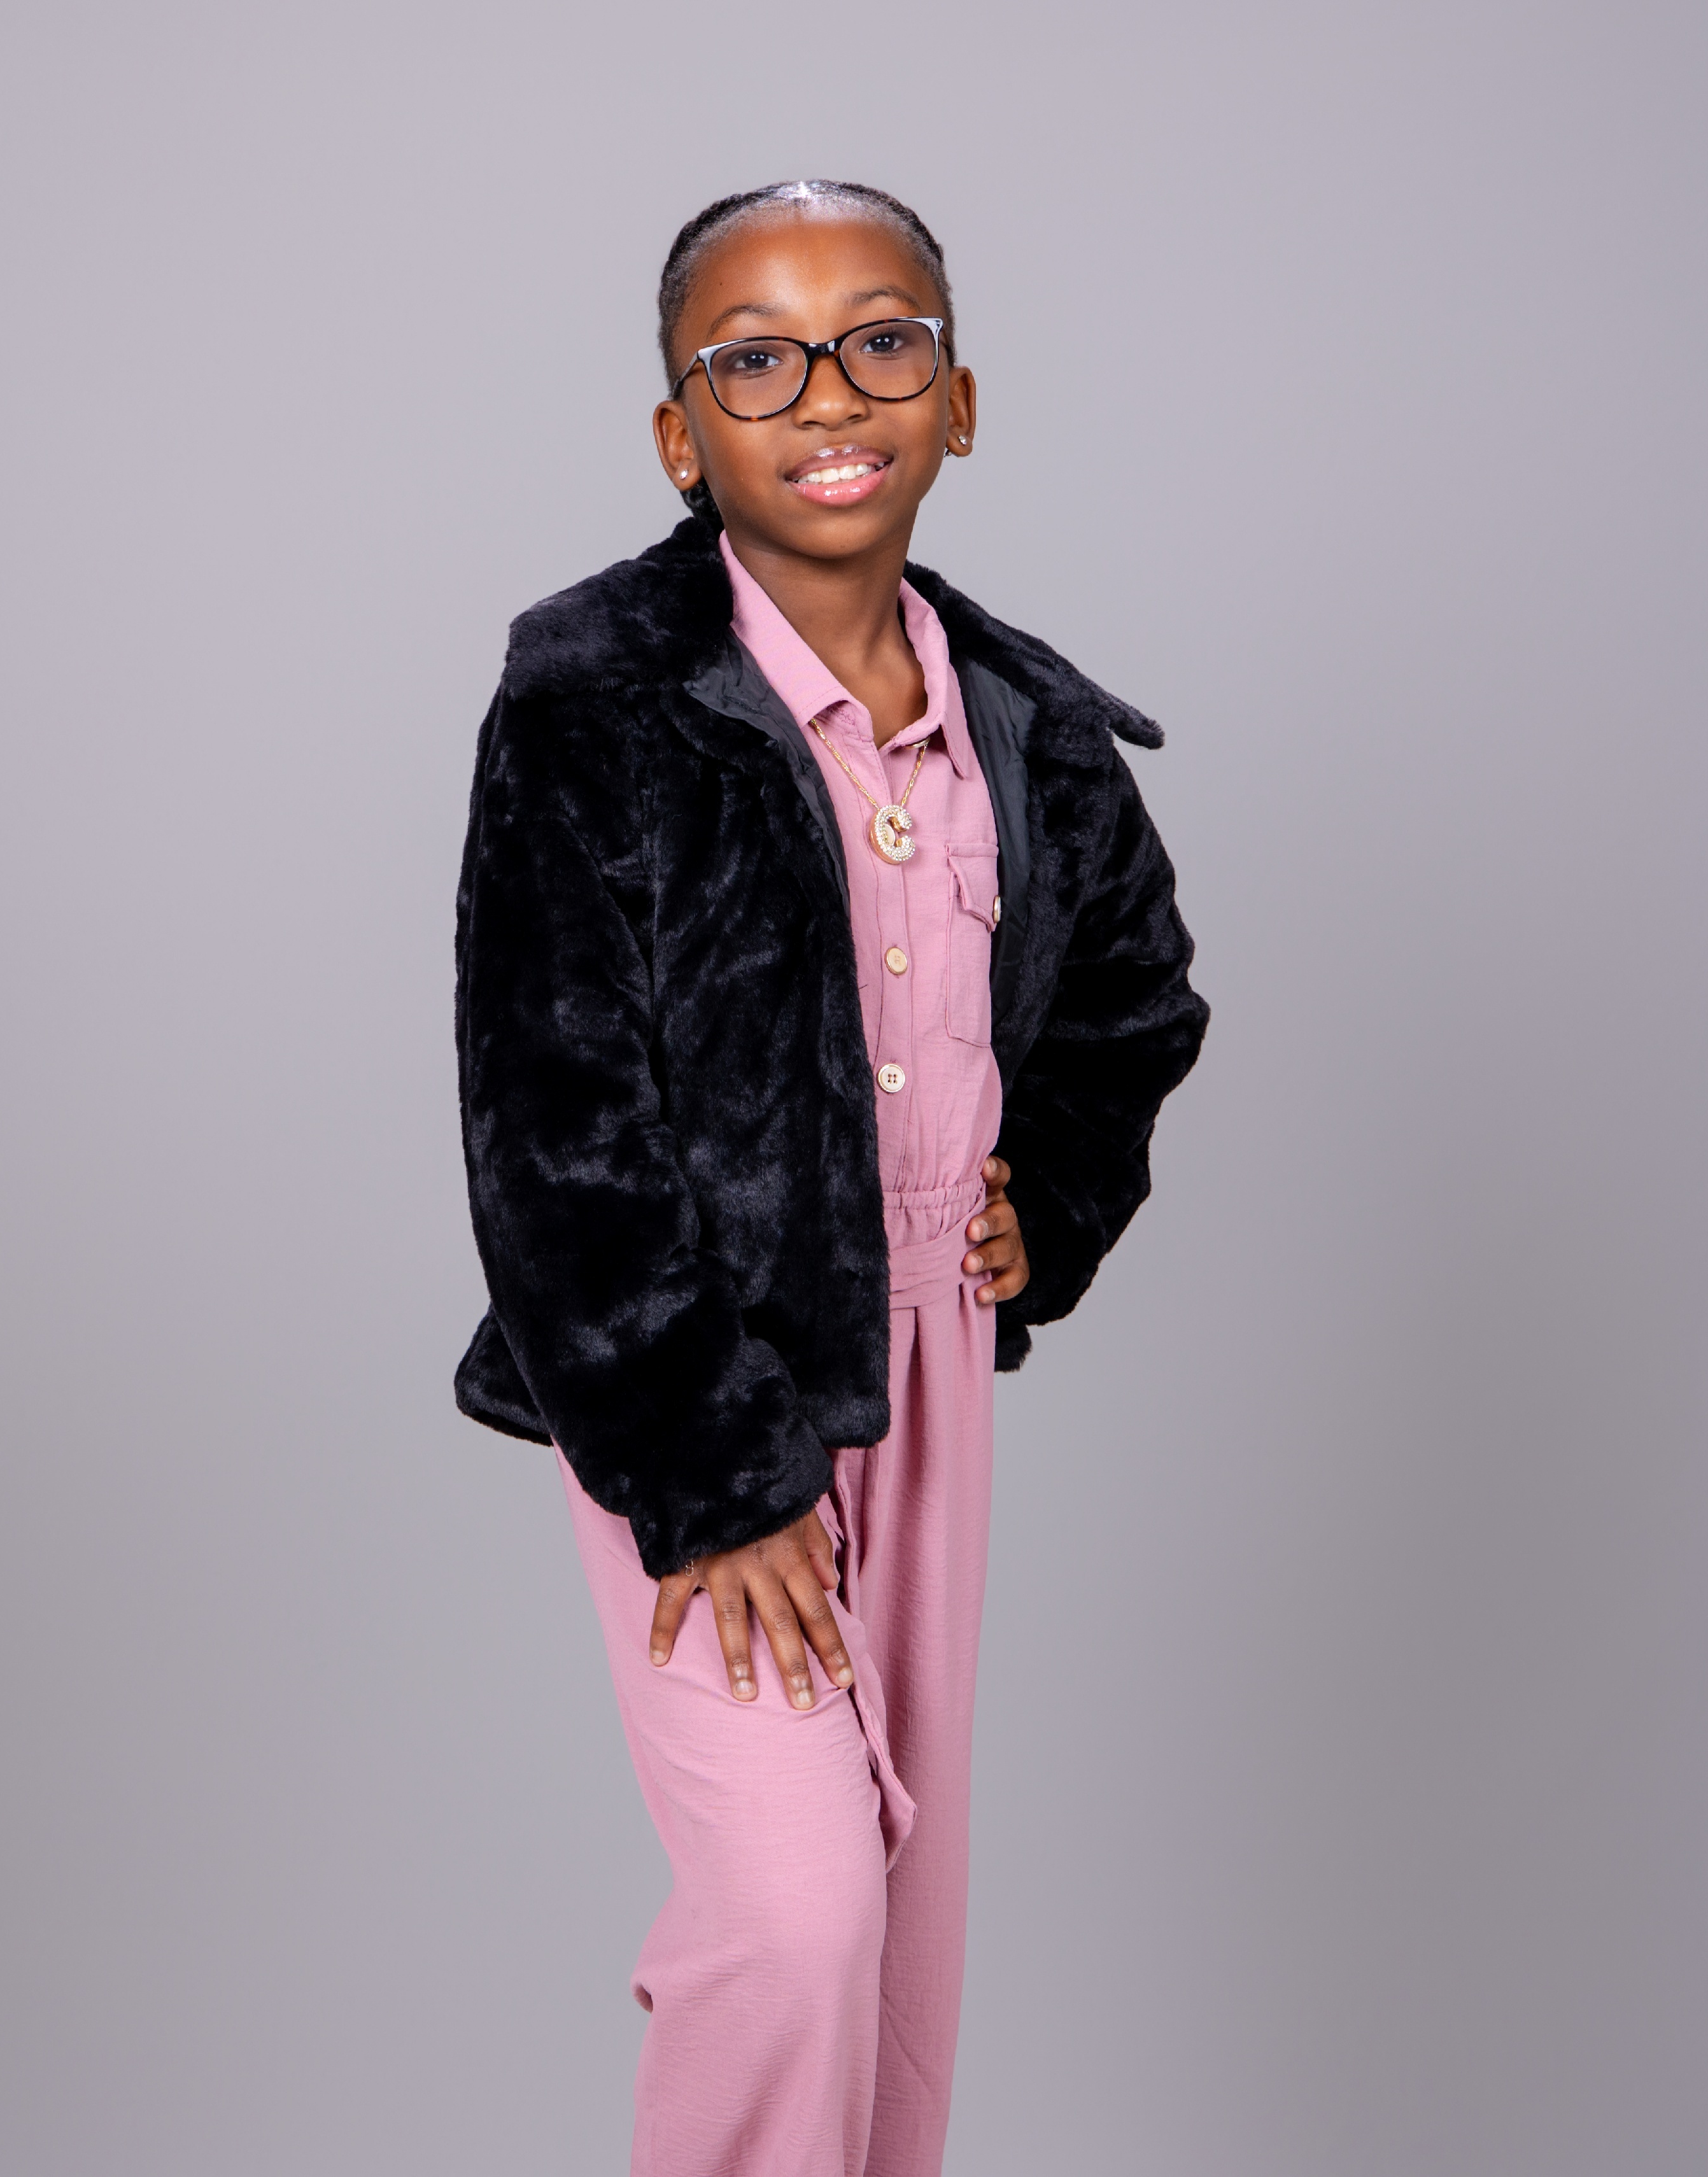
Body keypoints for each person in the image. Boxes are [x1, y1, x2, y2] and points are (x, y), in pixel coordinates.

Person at [453, 178, 1209, 2177]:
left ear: (957, 398)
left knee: (898, 1931)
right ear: (679, 434)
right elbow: (551, 1122)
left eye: (881, 340)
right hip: (699, 1372)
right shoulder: (598, 705)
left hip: (933, 1348)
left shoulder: (1030, 725)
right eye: (756, 360)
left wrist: (1055, 1190)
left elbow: (1134, 992)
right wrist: (714, 1470)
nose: (826, 393)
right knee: (796, 1918)